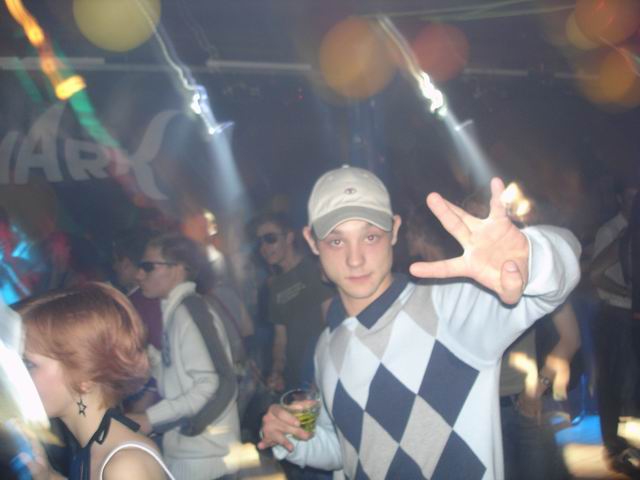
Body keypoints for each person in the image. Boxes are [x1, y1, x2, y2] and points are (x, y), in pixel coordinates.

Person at [258, 165, 581, 479]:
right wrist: (291, 438)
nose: (355, 259)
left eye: (370, 236)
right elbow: (348, 449)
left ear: (395, 230)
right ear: (311, 241)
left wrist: (528, 258)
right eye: (337, 241)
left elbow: (564, 263)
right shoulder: (325, 347)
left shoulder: (447, 308)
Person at [17, 282, 172, 479]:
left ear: (85, 376)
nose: (18, 375)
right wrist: (47, 476)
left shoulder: (126, 467)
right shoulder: (98, 448)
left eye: (28, 364)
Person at [130, 233, 240, 480]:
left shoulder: (190, 311)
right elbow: (176, 379)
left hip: (206, 461)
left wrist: (149, 419)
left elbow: (211, 385)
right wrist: (146, 351)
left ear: (179, 269)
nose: (139, 275)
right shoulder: (176, 311)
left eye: (148, 266)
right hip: (191, 457)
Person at [253, 213, 334, 392]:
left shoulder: (315, 268)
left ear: (289, 237)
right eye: (260, 242)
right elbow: (280, 339)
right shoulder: (274, 286)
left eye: (270, 239)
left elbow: (331, 325)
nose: (264, 247)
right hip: (295, 379)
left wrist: (321, 375)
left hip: (321, 373)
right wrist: (277, 371)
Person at [589, 178, 638, 471]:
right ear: (620, 199)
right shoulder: (613, 232)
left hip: (630, 315)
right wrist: (629, 294)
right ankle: (614, 447)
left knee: (628, 384)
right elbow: (595, 275)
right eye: (631, 197)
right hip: (615, 314)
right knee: (614, 382)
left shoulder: (630, 232)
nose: (635, 202)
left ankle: (621, 445)